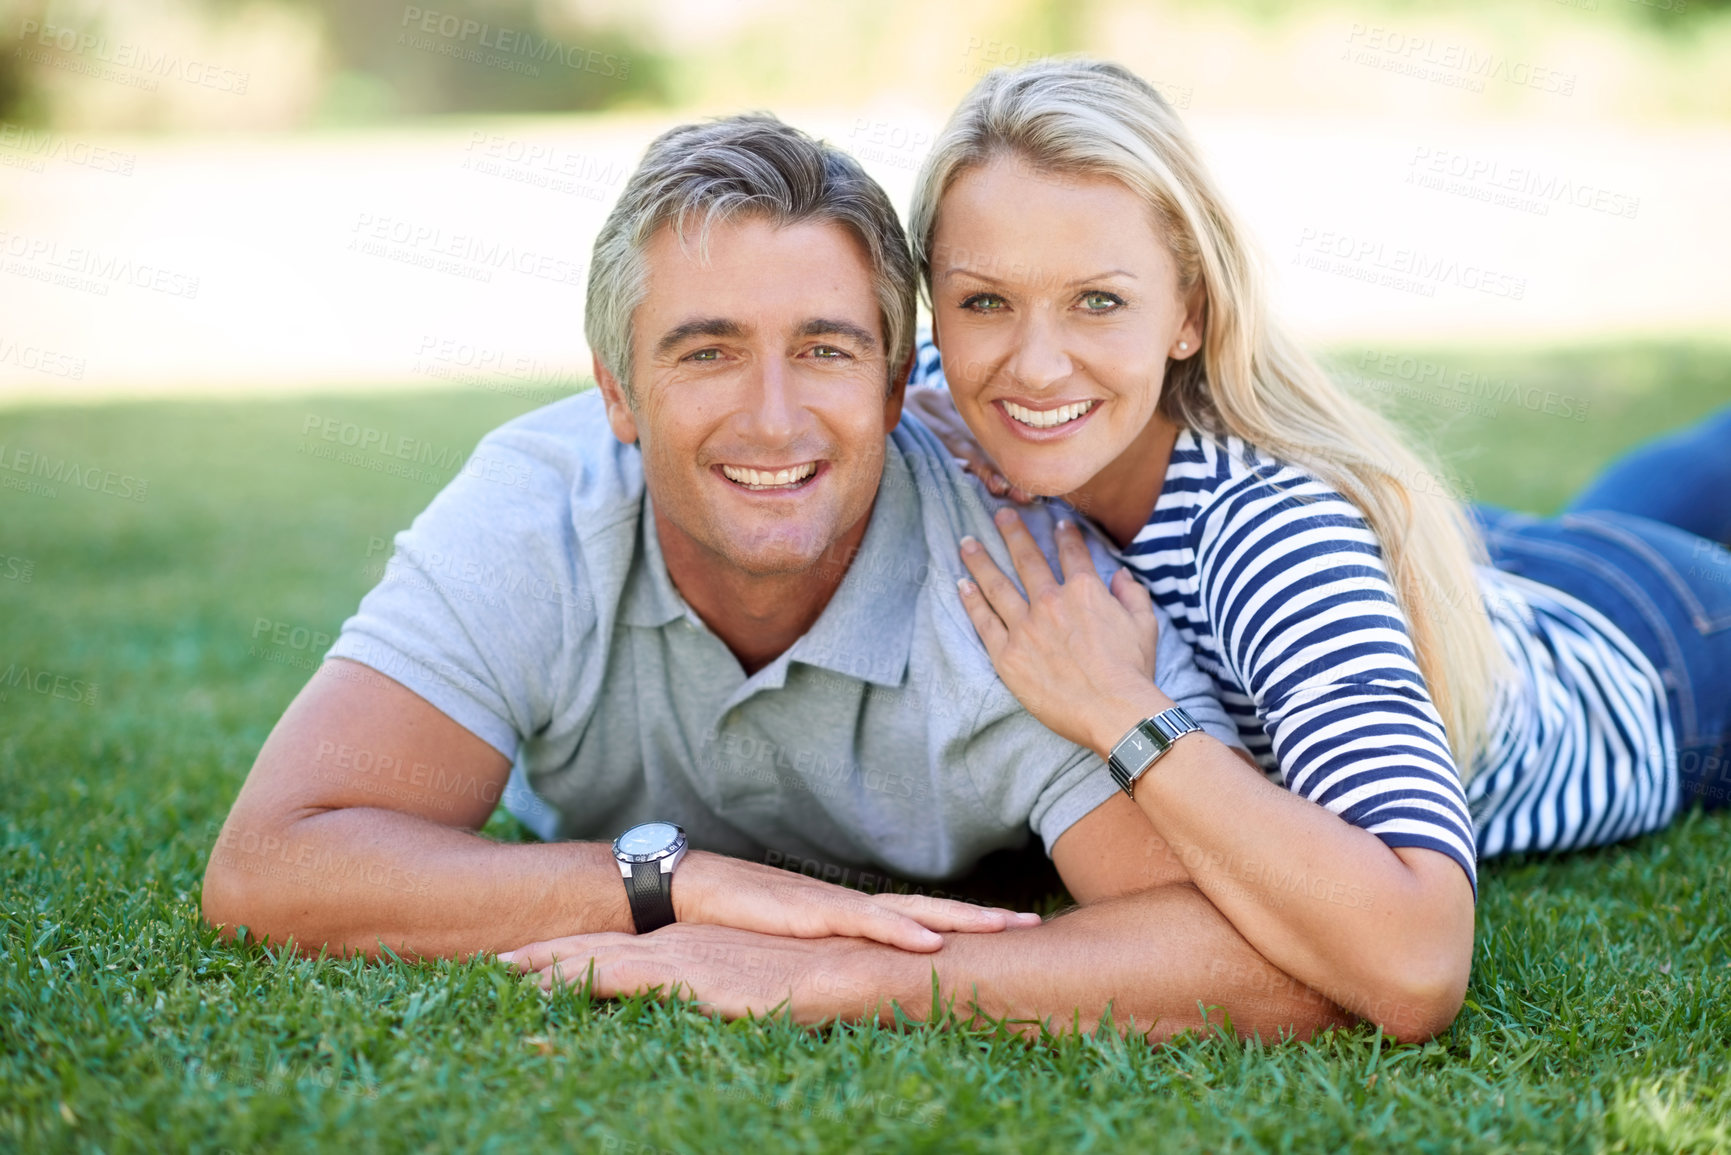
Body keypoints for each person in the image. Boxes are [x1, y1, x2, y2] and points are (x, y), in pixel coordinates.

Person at [202, 113, 1443, 1043]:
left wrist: (870, 979)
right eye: (708, 352)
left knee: (1631, 537)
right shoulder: (537, 508)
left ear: (907, 384)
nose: (776, 419)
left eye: (827, 350)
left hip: (1597, 648)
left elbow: (1279, 956)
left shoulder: (1026, 597)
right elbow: (271, 865)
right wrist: (671, 883)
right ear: (617, 393)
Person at [901, 57, 1731, 1025]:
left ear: (1190, 313)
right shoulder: (937, 407)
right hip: (1487, 573)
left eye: (1099, 301)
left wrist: (1121, 706)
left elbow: (1418, 961)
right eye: (985, 303)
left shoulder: (1267, 540)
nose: (1034, 367)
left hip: (1660, 662)